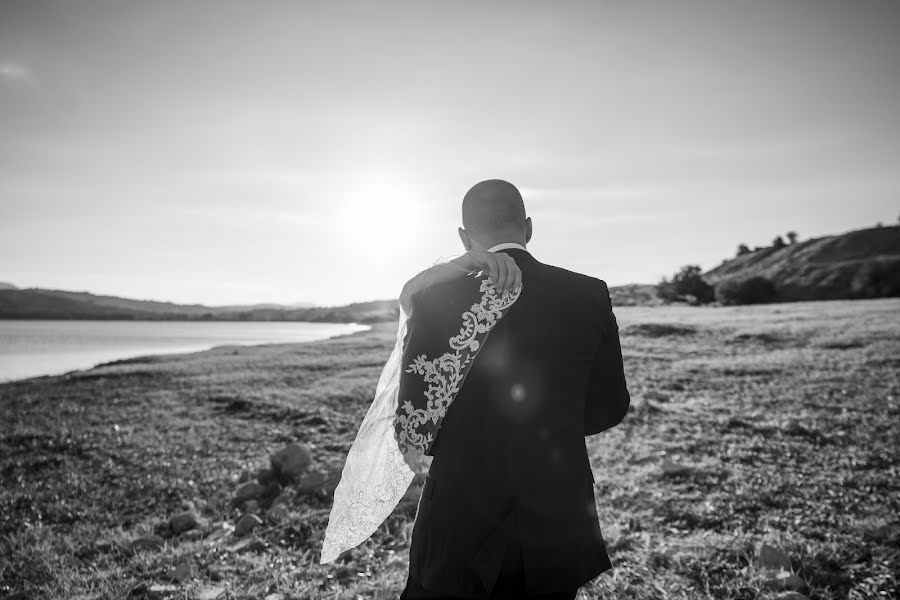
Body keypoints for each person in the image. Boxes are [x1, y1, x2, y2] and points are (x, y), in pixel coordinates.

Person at [397, 179, 631, 599]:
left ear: (465, 238)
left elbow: (413, 429)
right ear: (528, 227)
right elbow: (610, 407)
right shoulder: (588, 292)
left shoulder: (434, 296)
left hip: (460, 516)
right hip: (555, 513)